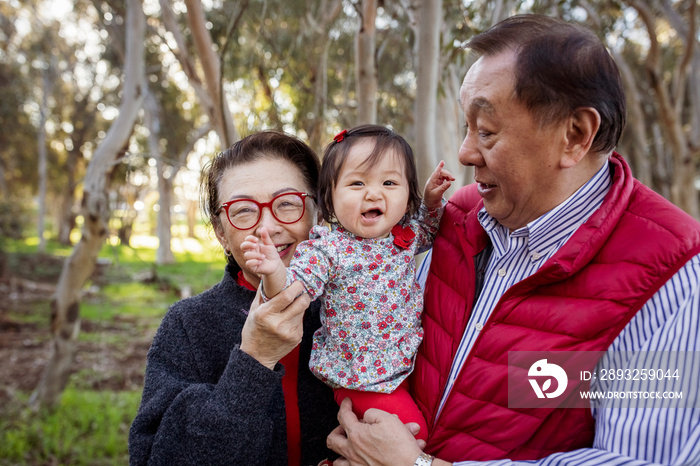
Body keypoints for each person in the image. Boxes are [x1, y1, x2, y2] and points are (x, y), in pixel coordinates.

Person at [326, 14, 700, 466]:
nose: (465, 152)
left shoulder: (670, 276)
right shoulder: (455, 218)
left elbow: (642, 459)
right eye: (467, 128)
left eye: (485, 131)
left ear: (575, 135)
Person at [128, 131, 340, 466]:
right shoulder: (188, 324)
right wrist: (254, 359)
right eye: (243, 211)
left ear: (318, 212)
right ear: (222, 233)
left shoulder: (357, 311)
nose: (267, 228)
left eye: (287, 203)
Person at [242, 125, 455, 442]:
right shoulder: (328, 249)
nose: (373, 193)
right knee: (413, 437)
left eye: (389, 182)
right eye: (357, 183)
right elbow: (292, 289)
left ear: (407, 193)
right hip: (360, 381)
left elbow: (429, 227)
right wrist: (273, 270)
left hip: (404, 368)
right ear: (328, 197)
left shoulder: (406, 235)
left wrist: (432, 200)